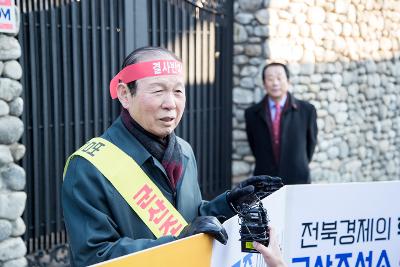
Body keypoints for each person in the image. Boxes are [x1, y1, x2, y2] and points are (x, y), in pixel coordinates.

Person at [62, 47, 282, 267]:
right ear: (124, 95)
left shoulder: (184, 151)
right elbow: (94, 257)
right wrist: (176, 246)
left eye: (178, 91)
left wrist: (227, 205)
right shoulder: (88, 167)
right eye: (158, 91)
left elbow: (187, 218)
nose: (170, 103)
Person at [245, 62, 318, 184]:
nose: (275, 83)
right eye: (270, 79)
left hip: (298, 179)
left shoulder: (307, 111)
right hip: (264, 182)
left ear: (288, 81)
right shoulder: (252, 114)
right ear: (264, 83)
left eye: (279, 78)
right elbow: (254, 146)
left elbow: (311, 144)